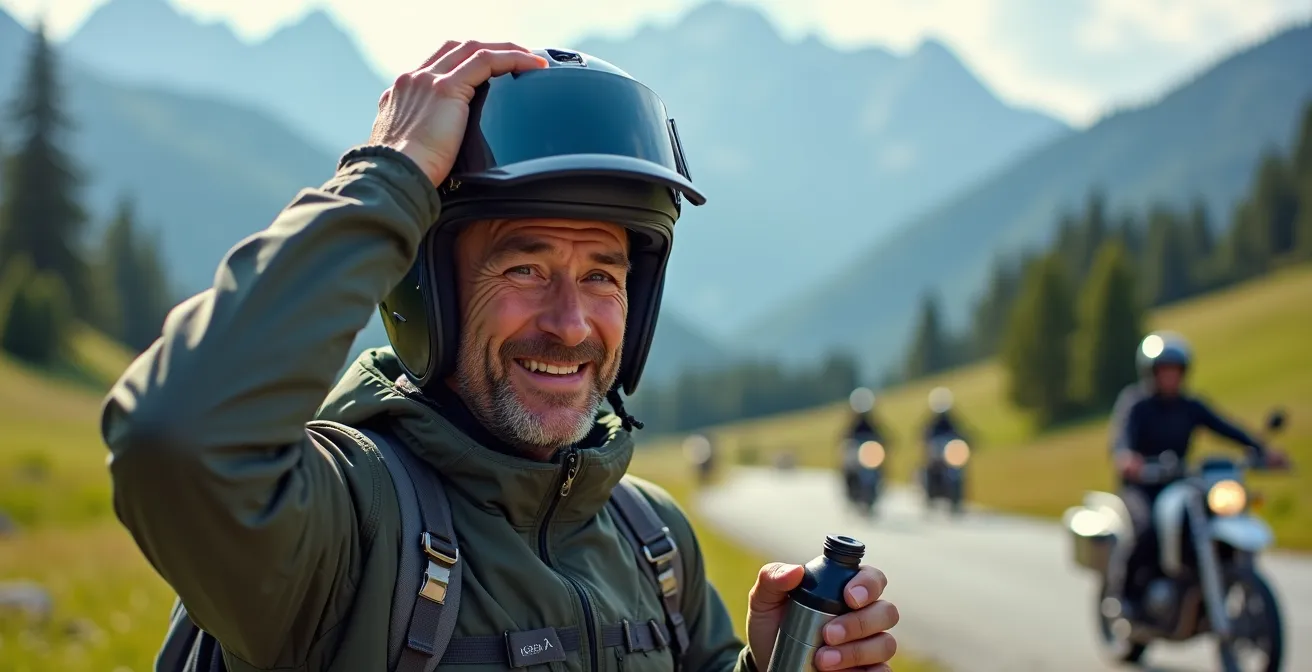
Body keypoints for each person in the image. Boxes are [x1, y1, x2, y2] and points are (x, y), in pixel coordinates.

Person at [99, 43, 899, 671]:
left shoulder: (652, 541)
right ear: (428, 287)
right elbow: (176, 434)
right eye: (524, 268)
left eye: (602, 276)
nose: (572, 323)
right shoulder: (343, 526)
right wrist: (394, 172)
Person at [1102, 331, 1288, 619]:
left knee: (1212, 517)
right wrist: (1127, 458)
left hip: (1180, 484)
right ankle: (1123, 596)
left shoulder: (1190, 406)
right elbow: (1121, 439)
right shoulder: (1135, 403)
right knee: (1146, 529)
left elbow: (1226, 427)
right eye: (1164, 371)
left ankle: (1205, 582)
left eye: (1175, 371)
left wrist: (1262, 450)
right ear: (1151, 373)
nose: (1170, 377)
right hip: (1143, 486)